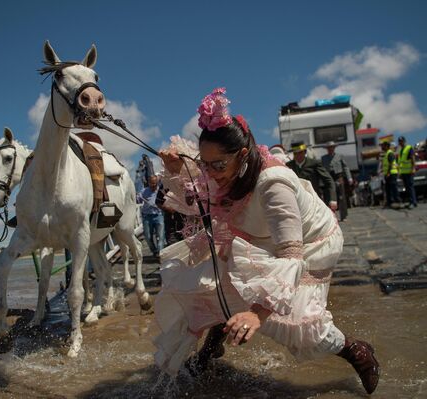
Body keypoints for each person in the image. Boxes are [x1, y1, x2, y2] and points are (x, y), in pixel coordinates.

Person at [155, 88, 379, 394]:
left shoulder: (273, 185)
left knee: (296, 325)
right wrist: (176, 169)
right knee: (212, 282)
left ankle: (355, 350)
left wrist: (256, 314)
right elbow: (199, 200)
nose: (210, 173)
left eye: (218, 166)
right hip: (260, 236)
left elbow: (292, 259)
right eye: (205, 165)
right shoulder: (225, 171)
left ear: (243, 155)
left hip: (310, 244)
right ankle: (210, 350)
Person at [286, 142, 337, 212]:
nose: (298, 155)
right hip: (297, 203)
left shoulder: (314, 163)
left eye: (300, 152)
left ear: (305, 152)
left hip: (314, 201)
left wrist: (333, 199)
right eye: (295, 153)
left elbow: (329, 180)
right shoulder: (288, 166)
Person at [321, 141, 353, 221]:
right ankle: (331, 216)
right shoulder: (323, 158)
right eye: (329, 148)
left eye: (332, 147)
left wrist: (349, 178)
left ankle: (343, 216)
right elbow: (322, 170)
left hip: (339, 178)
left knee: (342, 197)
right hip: (329, 179)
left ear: (334, 148)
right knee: (329, 198)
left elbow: (345, 167)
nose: (330, 149)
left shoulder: (339, 156)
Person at [137, 174, 166, 259]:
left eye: (155, 183)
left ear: (157, 182)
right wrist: (137, 197)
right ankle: (154, 251)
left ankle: (160, 255)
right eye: (151, 183)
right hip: (147, 217)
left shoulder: (160, 191)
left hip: (158, 215)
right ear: (148, 183)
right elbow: (137, 199)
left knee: (160, 237)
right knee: (148, 237)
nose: (153, 185)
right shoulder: (144, 191)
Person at [397, 136, 418, 208]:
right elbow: (401, 163)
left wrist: (413, 168)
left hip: (409, 171)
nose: (400, 142)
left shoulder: (409, 148)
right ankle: (411, 201)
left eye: (401, 141)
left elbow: (412, 158)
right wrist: (400, 172)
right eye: (399, 141)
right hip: (403, 172)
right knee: (407, 188)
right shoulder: (401, 150)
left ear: (404, 141)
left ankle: (413, 202)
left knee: (410, 187)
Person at [380, 139, 401, 208]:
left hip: (392, 173)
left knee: (393, 188)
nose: (382, 147)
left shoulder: (390, 153)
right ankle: (390, 202)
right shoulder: (386, 154)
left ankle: (397, 201)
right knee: (388, 189)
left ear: (386, 146)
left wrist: (388, 172)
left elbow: (391, 164)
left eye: (383, 146)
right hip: (388, 174)